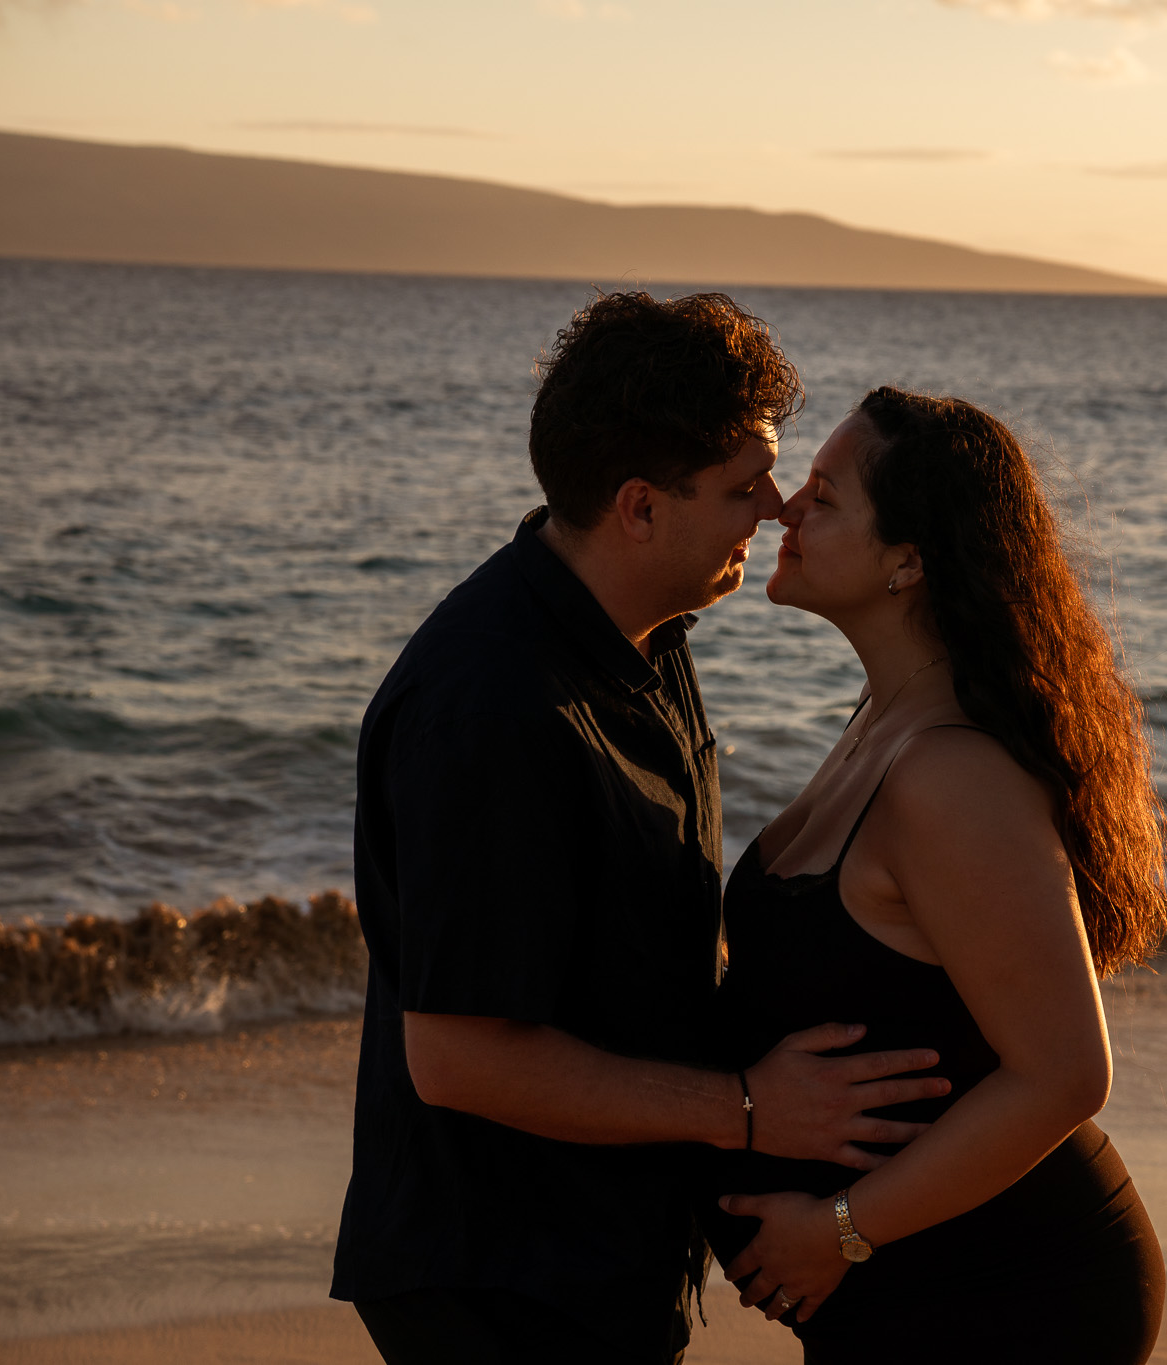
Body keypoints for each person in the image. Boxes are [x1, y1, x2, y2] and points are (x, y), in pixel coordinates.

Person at [331, 295, 954, 1365]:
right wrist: (749, 1109)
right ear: (637, 508)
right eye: (740, 486)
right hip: (503, 1275)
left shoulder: (647, 633)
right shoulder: (492, 705)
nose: (773, 508)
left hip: (600, 1249)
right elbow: (459, 1058)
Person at [702, 387, 1167, 1364]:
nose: (785, 508)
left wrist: (837, 1227)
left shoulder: (949, 773)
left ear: (906, 562)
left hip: (1007, 1289)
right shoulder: (883, 721)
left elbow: (1065, 1075)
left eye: (824, 498)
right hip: (911, 1276)